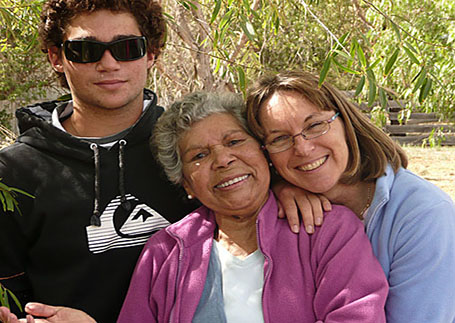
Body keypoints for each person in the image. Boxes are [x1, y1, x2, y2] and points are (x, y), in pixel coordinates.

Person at [0, 1, 196, 322]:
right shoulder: (12, 174)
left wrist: (294, 191)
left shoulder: (192, 147)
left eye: (127, 47)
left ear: (151, 54)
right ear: (56, 58)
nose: (109, 63)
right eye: (86, 50)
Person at [117, 91, 388, 322]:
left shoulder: (327, 229)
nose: (223, 159)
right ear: (186, 184)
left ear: (264, 153)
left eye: (234, 141)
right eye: (199, 155)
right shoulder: (165, 252)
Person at [245, 70, 455, 323]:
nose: (302, 148)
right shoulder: (276, 208)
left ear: (345, 122)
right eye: (279, 138)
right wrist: (277, 188)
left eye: (314, 125)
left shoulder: (424, 215)